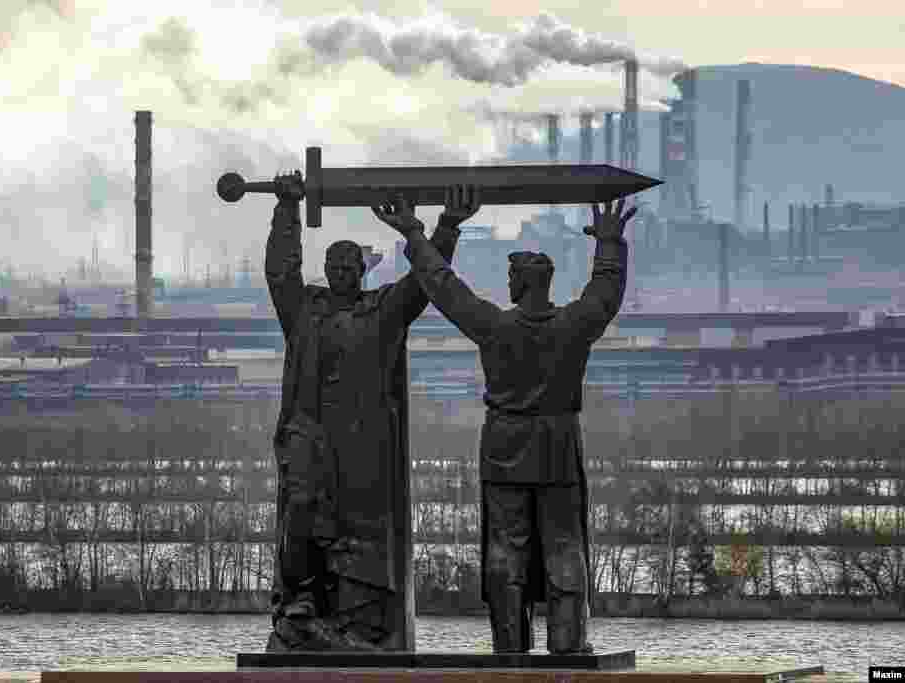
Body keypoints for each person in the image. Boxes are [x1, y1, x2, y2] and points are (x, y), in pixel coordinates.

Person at [374, 194, 636, 655]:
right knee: (563, 544)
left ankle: (510, 649)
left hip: (505, 445)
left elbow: (442, 286)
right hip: (556, 444)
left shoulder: (496, 326)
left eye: (512, 276)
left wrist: (416, 234)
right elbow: (605, 294)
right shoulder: (572, 325)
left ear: (522, 283)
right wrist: (609, 244)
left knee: (506, 550)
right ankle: (568, 643)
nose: (508, 282)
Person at [265, 177, 480, 651]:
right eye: (334, 265)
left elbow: (423, 284)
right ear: (325, 270)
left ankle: (356, 622)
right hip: (310, 435)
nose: (342, 272)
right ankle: (299, 602)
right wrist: (287, 210)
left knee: (357, 535)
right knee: (301, 511)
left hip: (362, 446)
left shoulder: (382, 310)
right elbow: (281, 272)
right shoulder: (304, 310)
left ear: (362, 270)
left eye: (350, 265)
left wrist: (445, 228)